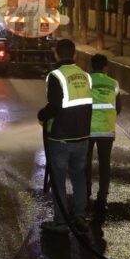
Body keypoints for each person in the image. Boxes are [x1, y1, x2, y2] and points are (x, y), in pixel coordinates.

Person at [37, 38, 94, 233]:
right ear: (75, 55)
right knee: (79, 177)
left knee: (59, 179)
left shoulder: (56, 76)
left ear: (56, 54)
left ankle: (61, 221)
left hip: (61, 137)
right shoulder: (86, 76)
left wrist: (42, 115)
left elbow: (55, 106)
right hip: (83, 137)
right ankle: (79, 216)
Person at [87, 54, 122, 222]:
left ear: (91, 66)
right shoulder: (113, 83)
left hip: (87, 129)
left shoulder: (87, 81)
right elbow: (119, 107)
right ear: (105, 67)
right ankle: (102, 197)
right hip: (107, 130)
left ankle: (86, 191)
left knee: (85, 162)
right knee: (104, 164)